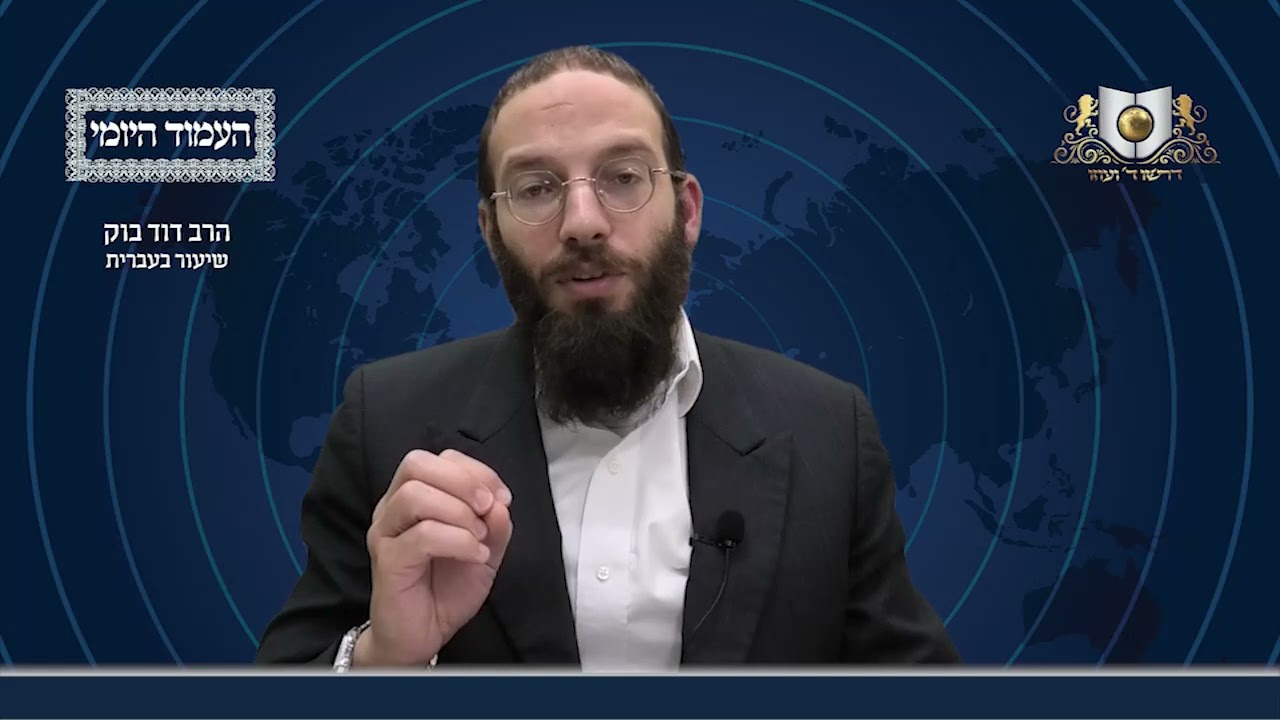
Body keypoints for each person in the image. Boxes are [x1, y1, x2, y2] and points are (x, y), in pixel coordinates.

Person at [255, 45, 959, 671]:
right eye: (536, 188)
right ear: (491, 232)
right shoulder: (385, 422)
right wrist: (385, 657)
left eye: (622, 177)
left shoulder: (829, 430)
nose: (583, 223)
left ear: (686, 211)